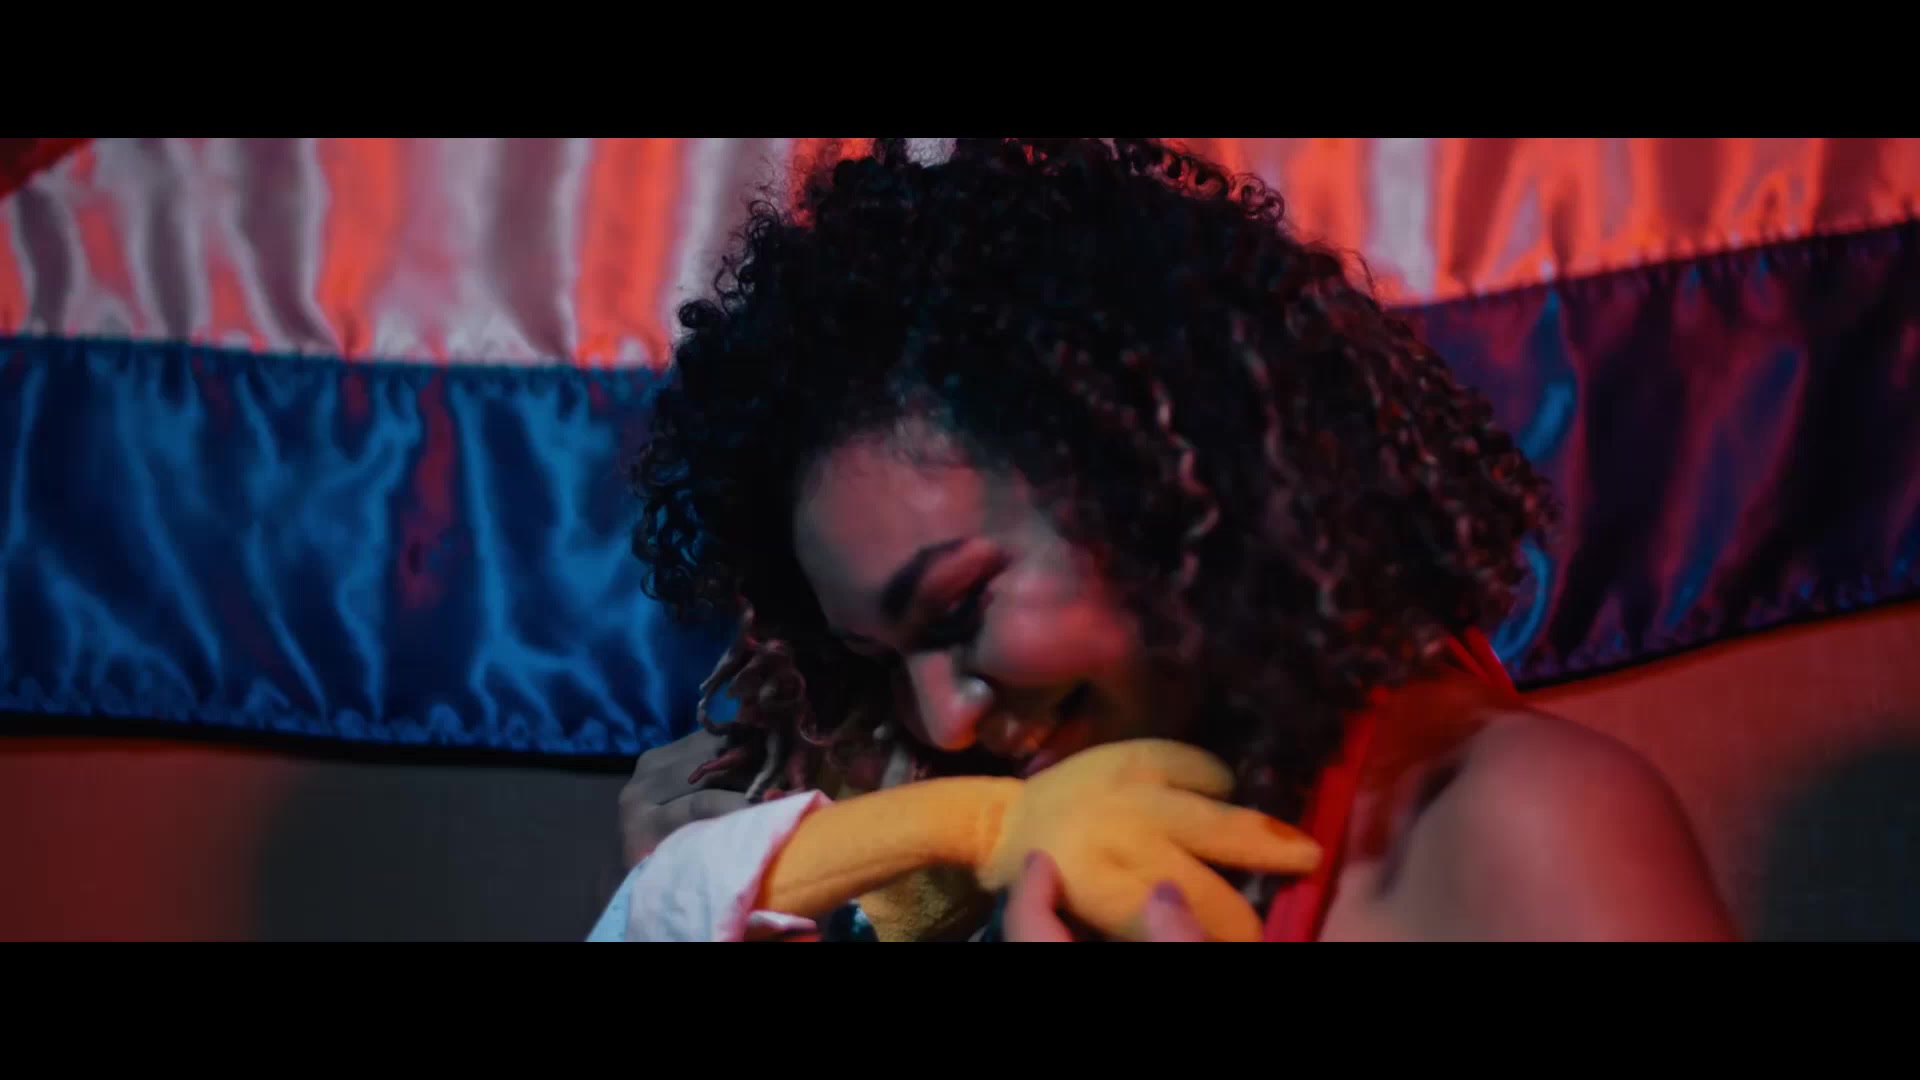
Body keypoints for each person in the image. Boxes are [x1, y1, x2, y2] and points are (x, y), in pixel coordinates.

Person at [591, 138, 1736, 942]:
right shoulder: (996, 847)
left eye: (962, 606)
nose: (942, 719)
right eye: (882, 661)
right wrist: (707, 893)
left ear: (1163, 483)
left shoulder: (1520, 822)